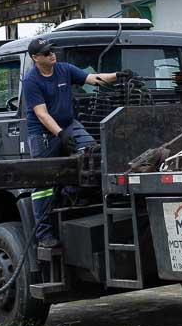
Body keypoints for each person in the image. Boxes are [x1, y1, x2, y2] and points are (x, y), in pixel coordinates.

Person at [22, 37, 118, 254]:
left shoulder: (64, 69)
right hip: (43, 133)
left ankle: (73, 192)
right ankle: (44, 234)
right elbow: (41, 113)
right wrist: (60, 134)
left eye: (52, 51)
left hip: (68, 124)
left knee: (92, 156)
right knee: (43, 183)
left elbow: (94, 79)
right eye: (46, 53)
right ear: (36, 58)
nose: (51, 55)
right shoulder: (31, 81)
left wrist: (117, 76)